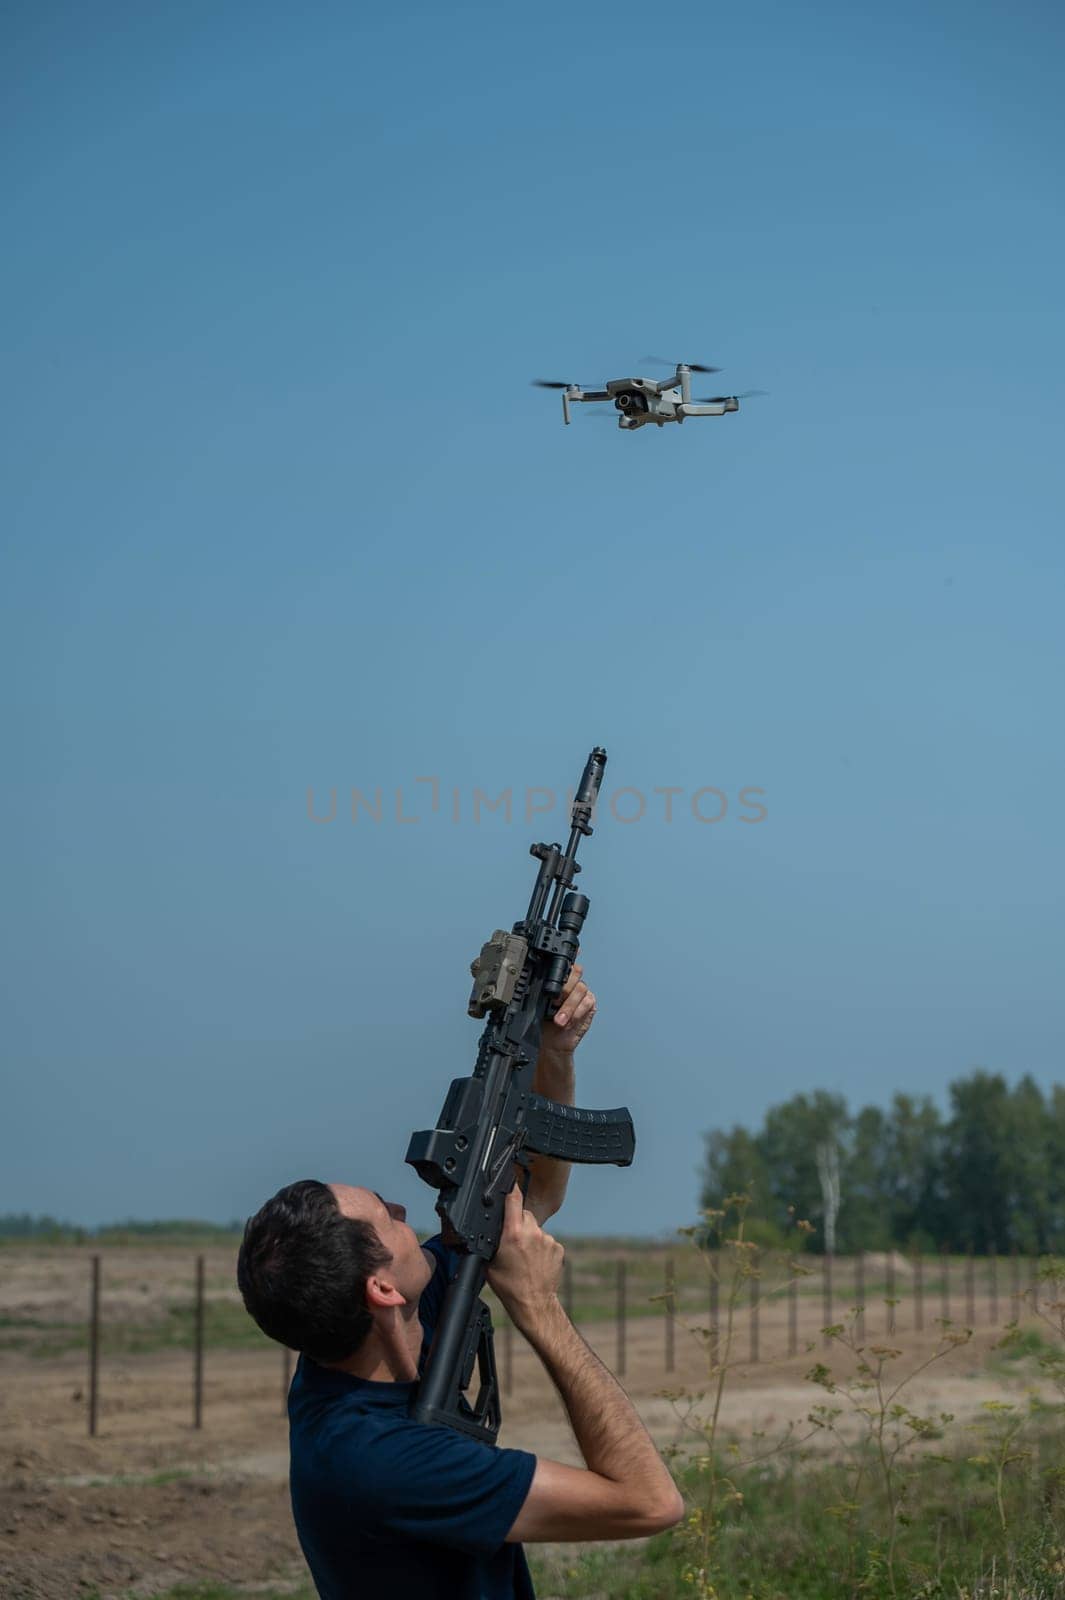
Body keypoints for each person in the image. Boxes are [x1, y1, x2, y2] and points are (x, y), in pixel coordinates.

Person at [237, 965, 683, 1600]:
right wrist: (539, 1309)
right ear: (383, 1291)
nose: (401, 1210)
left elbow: (526, 1205)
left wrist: (551, 1054)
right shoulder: (384, 1462)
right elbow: (650, 1503)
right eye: (387, 1218)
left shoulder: (350, 1353)